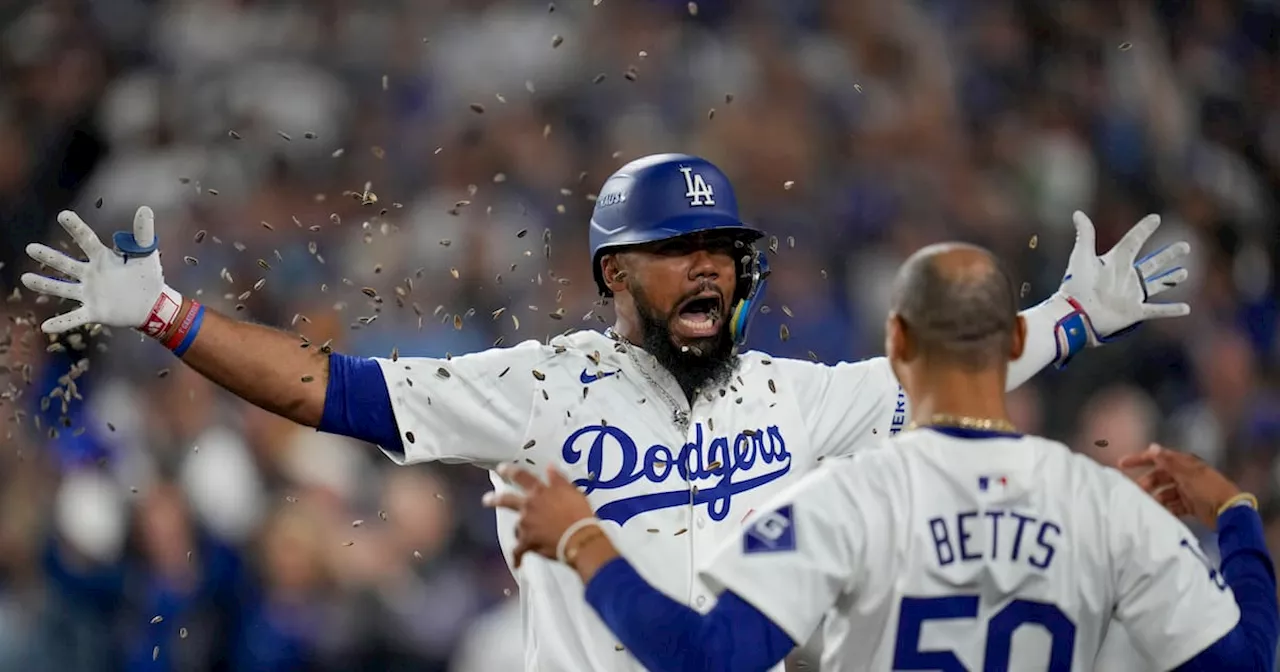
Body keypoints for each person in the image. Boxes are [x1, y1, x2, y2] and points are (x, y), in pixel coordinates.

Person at [21, 154, 1192, 671]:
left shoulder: (799, 396)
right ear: (611, 275)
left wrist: (1074, 313)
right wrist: (169, 312)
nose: (702, 272)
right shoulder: (534, 385)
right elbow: (327, 388)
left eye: (718, 253)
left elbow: (957, 378)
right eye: (670, 253)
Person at [486, 242, 1279, 671]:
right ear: (1010, 344)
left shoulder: (839, 501)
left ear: (896, 341)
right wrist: (1237, 517)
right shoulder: (1106, 505)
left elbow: (707, 659)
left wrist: (585, 540)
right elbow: (1246, 663)